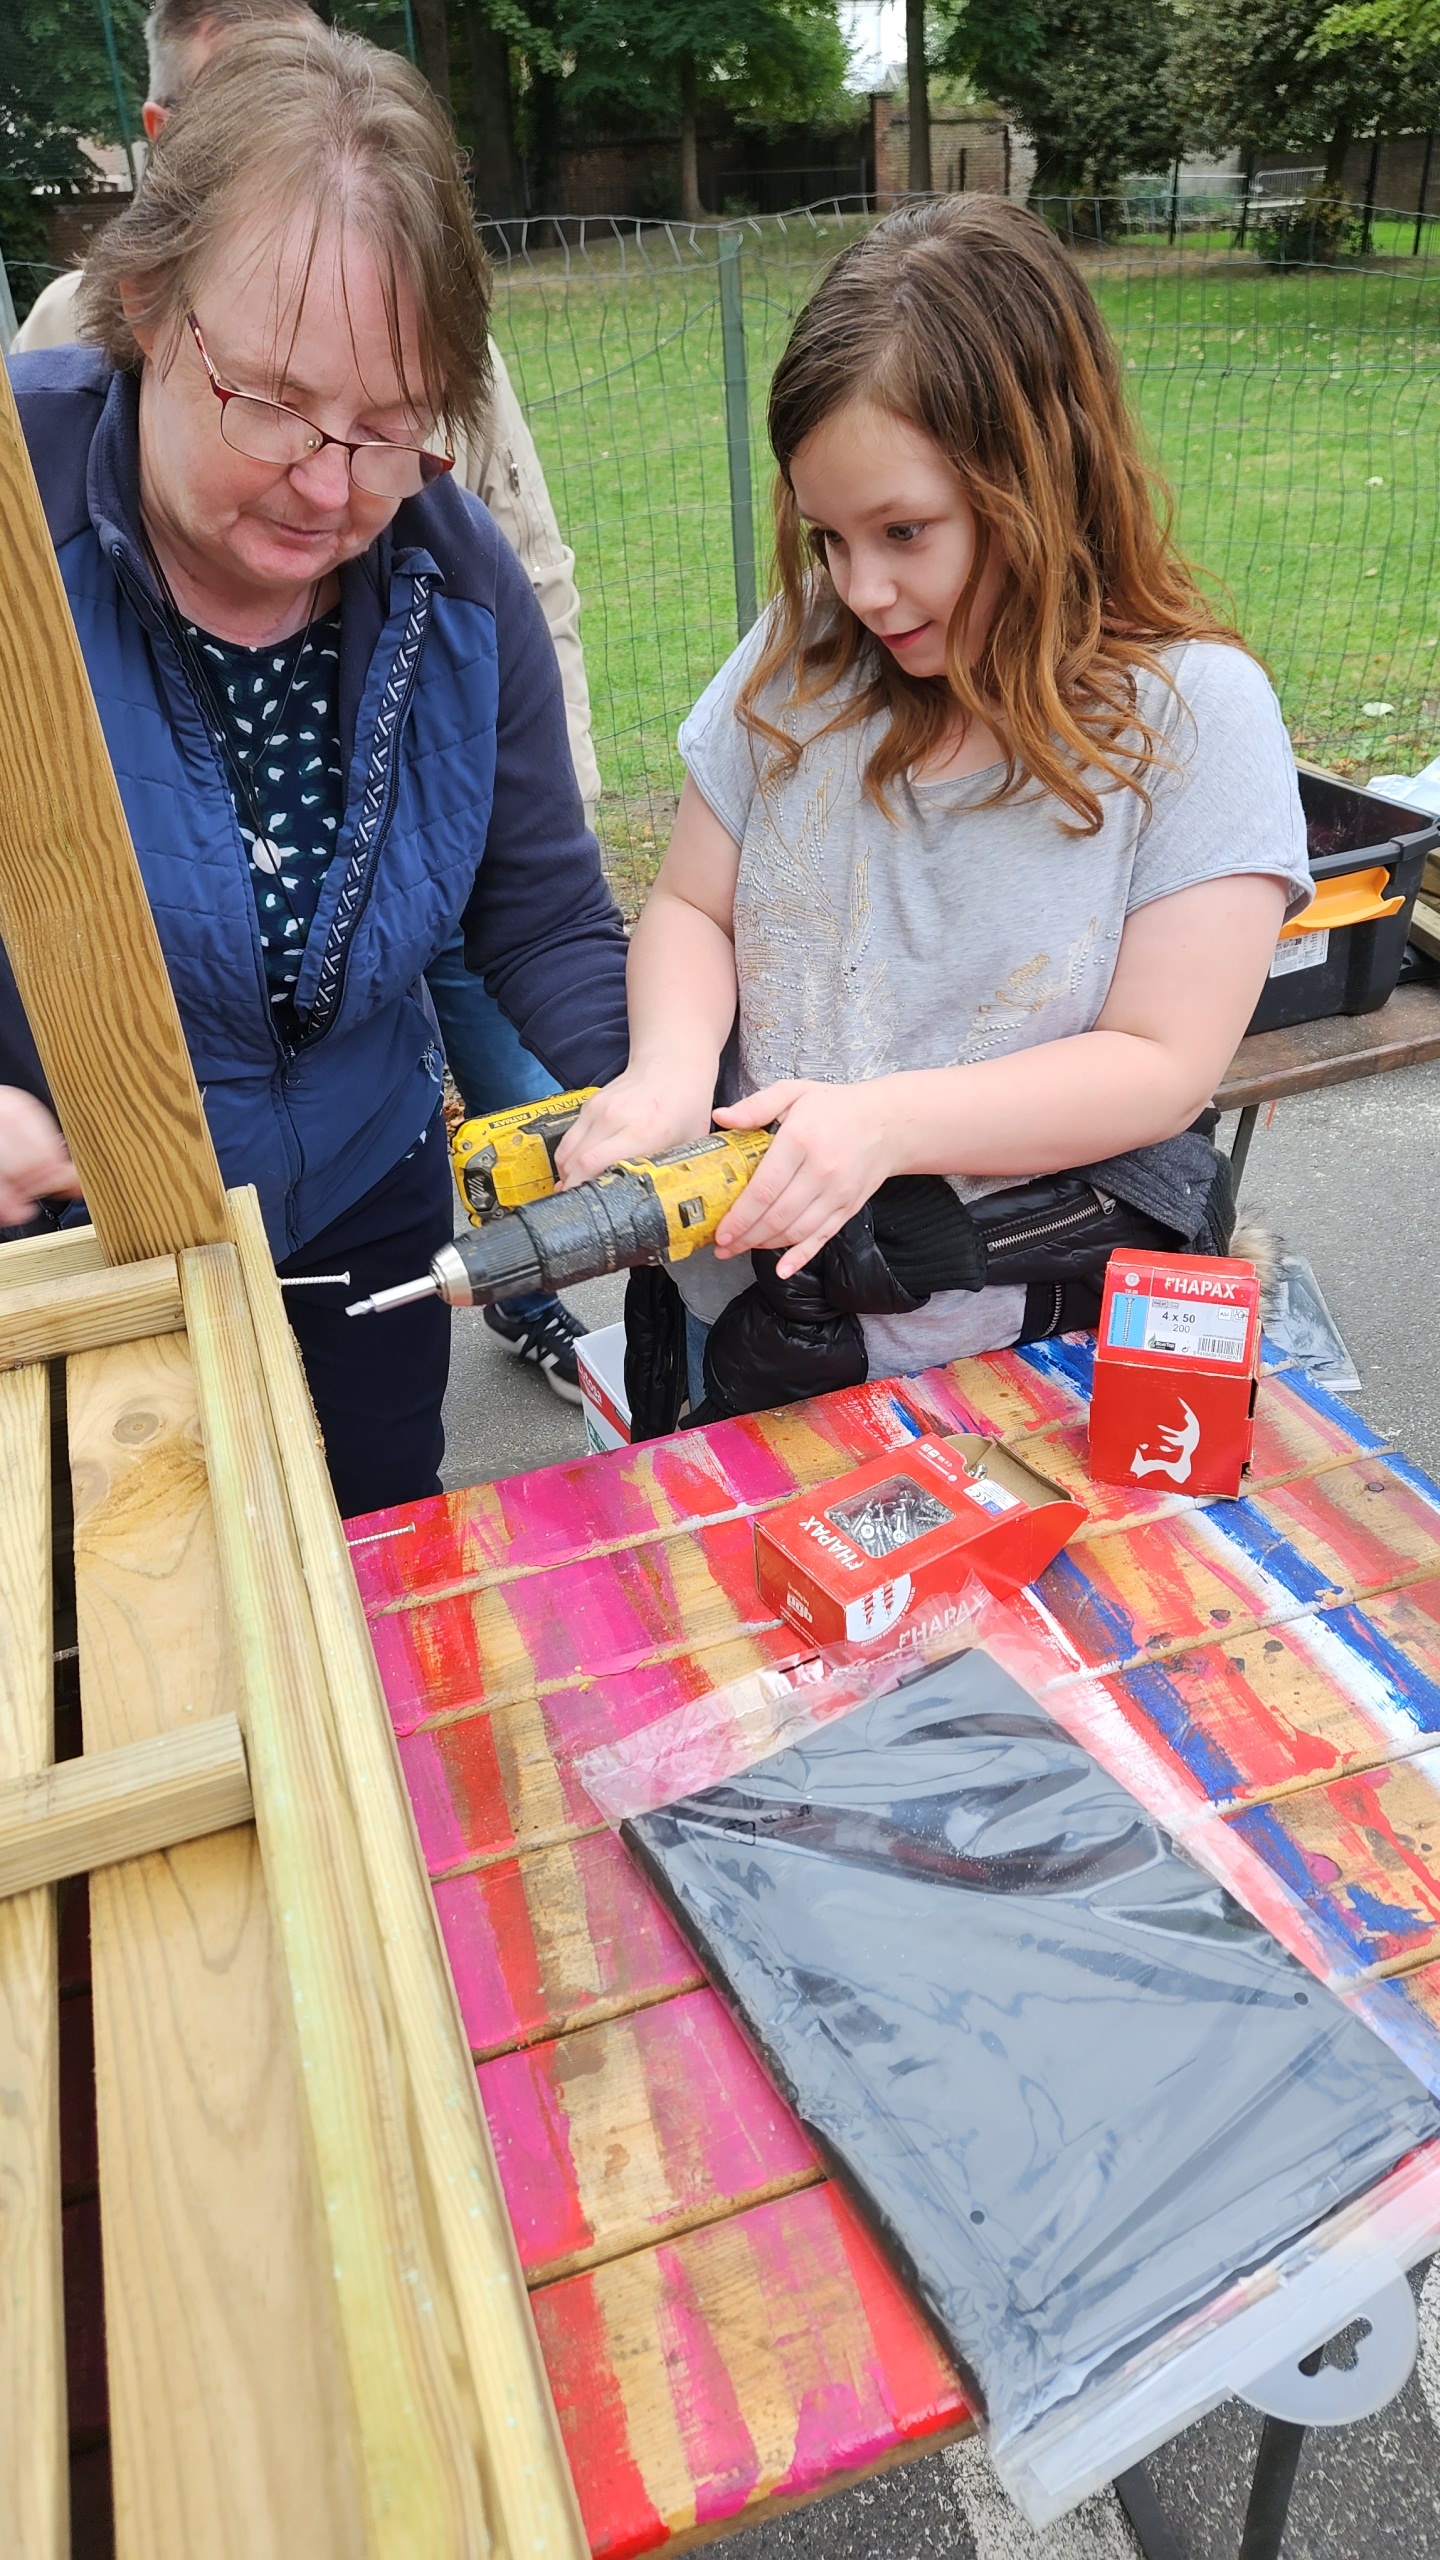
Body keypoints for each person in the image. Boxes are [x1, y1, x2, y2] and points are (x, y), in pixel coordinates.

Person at [1, 22, 629, 1513]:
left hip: (362, 1194)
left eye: (390, 426)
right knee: (108, 1603)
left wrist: (679, 1091)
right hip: (72, 1236)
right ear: (146, 303)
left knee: (375, 1539)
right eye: (276, 404)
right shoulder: (16, 512)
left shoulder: (455, 581)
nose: (330, 484)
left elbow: (542, 915)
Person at [556, 197, 1312, 1428]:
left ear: (1042, 474)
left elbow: (1162, 1065)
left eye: (905, 532)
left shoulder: (1193, 718)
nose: (862, 589)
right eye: (828, 537)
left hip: (994, 1362)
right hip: (730, 1320)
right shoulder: (802, 656)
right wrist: (669, 1072)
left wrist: (884, 1125)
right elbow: (694, 903)